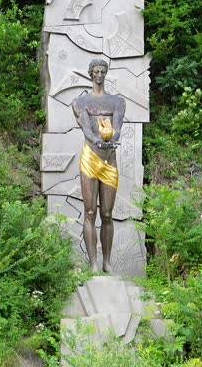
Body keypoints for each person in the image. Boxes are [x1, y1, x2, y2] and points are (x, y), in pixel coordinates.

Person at [71, 59, 126, 273]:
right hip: (90, 158)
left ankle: (107, 262)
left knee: (107, 214)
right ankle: (93, 263)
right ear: (91, 74)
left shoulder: (116, 102)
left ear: (106, 73)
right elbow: (86, 129)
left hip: (109, 158)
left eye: (103, 71)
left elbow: (119, 127)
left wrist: (111, 138)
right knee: (90, 212)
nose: (100, 75)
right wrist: (97, 140)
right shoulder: (81, 102)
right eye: (96, 71)